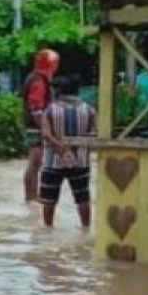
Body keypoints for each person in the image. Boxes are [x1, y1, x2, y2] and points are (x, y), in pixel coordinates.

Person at [38, 74, 97, 228]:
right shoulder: (89, 110)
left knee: (49, 201)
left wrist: (62, 149)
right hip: (81, 161)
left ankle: (48, 230)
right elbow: (93, 134)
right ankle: (86, 228)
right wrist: (74, 148)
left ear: (58, 91)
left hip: (53, 161)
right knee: (82, 198)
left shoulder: (50, 110)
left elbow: (46, 134)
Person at [21, 48, 60, 202]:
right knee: (35, 162)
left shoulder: (36, 78)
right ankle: (31, 197)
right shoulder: (38, 80)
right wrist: (45, 128)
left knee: (35, 163)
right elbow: (36, 107)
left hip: (34, 126)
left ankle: (32, 197)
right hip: (35, 127)